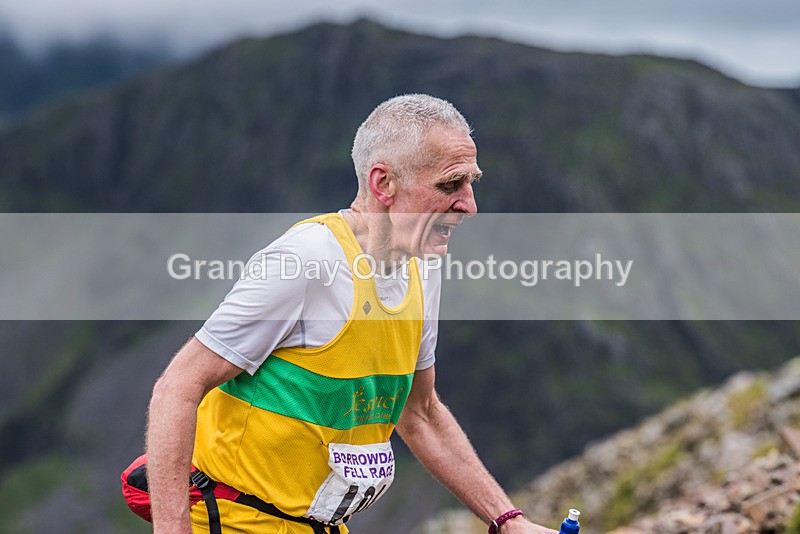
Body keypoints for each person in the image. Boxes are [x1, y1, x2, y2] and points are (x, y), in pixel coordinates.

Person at [146, 94, 556, 534]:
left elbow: (419, 413)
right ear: (384, 184)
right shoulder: (307, 261)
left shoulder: (422, 266)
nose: (470, 205)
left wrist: (508, 521)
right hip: (233, 523)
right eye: (450, 185)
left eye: (471, 182)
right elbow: (178, 386)